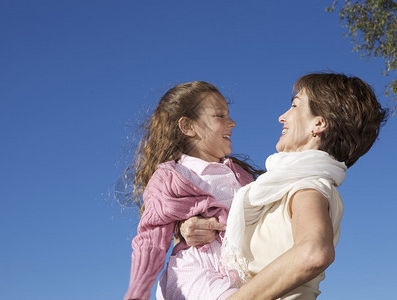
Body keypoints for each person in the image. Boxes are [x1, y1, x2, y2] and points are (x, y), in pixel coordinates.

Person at [180, 72, 388, 299]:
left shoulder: (308, 187)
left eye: (295, 106)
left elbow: (315, 252)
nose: (282, 117)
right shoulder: (285, 187)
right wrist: (188, 229)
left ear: (318, 123)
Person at [123, 81, 262, 300]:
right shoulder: (172, 177)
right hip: (196, 273)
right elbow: (151, 239)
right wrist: (137, 293)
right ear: (188, 127)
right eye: (220, 116)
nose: (232, 123)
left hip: (241, 275)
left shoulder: (239, 174)